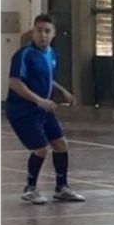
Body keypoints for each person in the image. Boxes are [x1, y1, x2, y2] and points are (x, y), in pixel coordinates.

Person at [5, 14, 85, 204]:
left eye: (47, 31)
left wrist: (63, 91)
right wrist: (39, 100)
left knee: (60, 144)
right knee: (40, 148)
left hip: (43, 111)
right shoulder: (24, 54)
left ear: (53, 34)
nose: (42, 35)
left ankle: (61, 188)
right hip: (23, 111)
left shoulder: (51, 53)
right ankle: (30, 189)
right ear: (33, 32)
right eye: (39, 31)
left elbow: (47, 77)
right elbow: (15, 82)